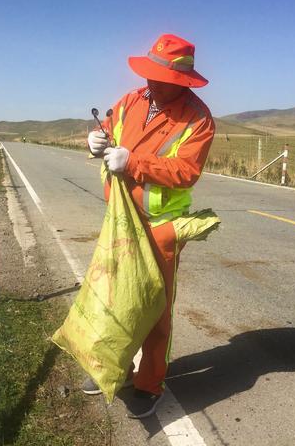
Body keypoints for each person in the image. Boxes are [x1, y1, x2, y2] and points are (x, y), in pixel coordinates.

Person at [85, 33, 215, 418]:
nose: (151, 83)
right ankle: (116, 368)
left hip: (161, 225)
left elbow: (186, 171)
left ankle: (149, 382)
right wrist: (93, 140)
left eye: (160, 78)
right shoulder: (132, 100)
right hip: (120, 217)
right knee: (114, 297)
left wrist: (134, 163)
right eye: (150, 74)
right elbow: (108, 129)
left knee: (154, 306)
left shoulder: (199, 120)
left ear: (182, 82)